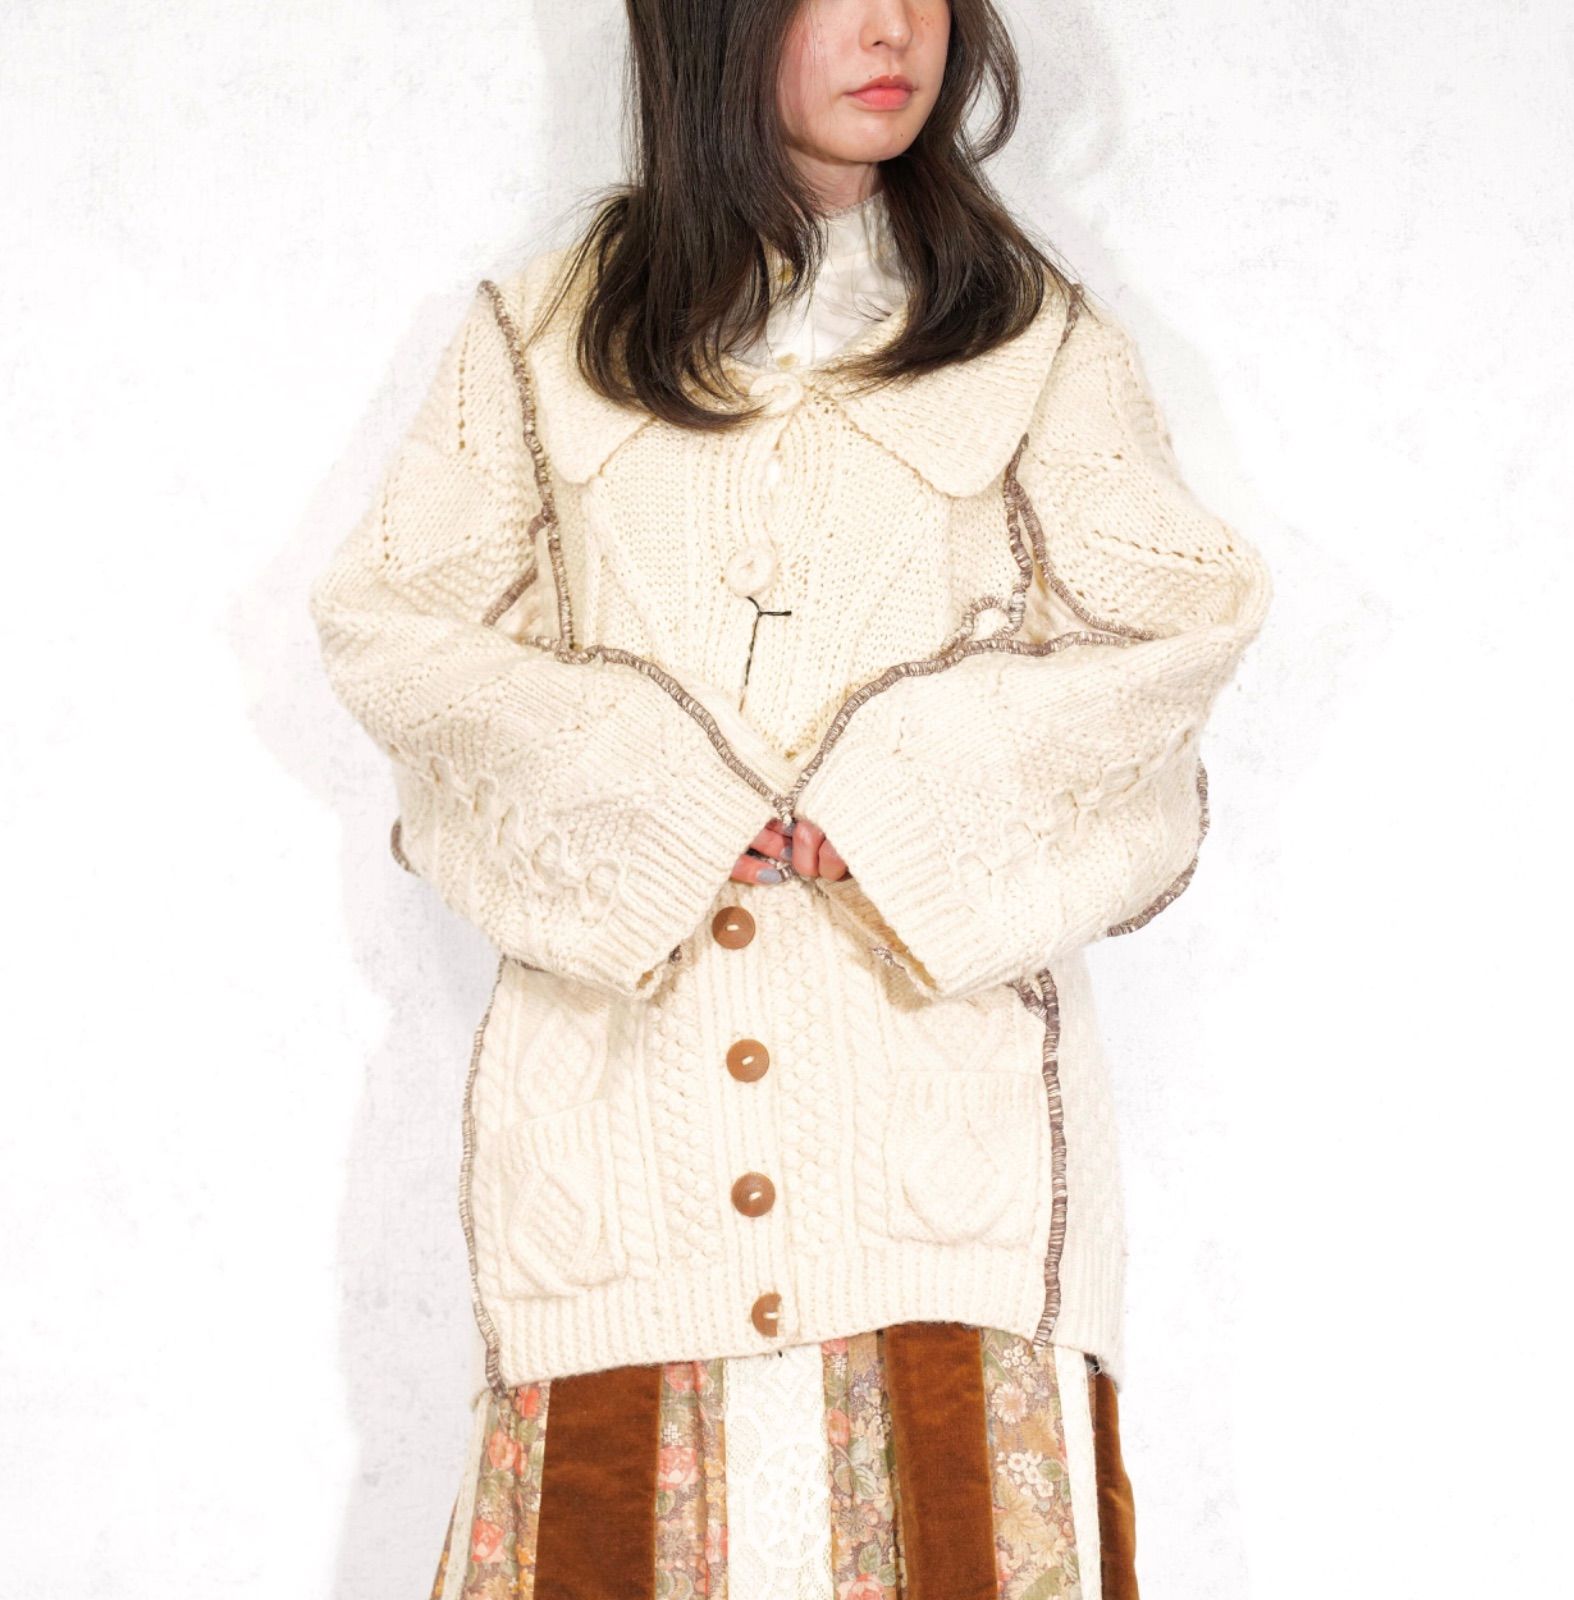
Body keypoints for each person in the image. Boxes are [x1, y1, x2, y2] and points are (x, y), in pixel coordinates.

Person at [307, 2, 1272, 1595]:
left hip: (943, 1177)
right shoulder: (538, 339)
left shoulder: (1035, 341)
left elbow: (1175, 633)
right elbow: (398, 634)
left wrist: (902, 808)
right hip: (622, 1167)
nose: (895, 27)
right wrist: (660, 811)